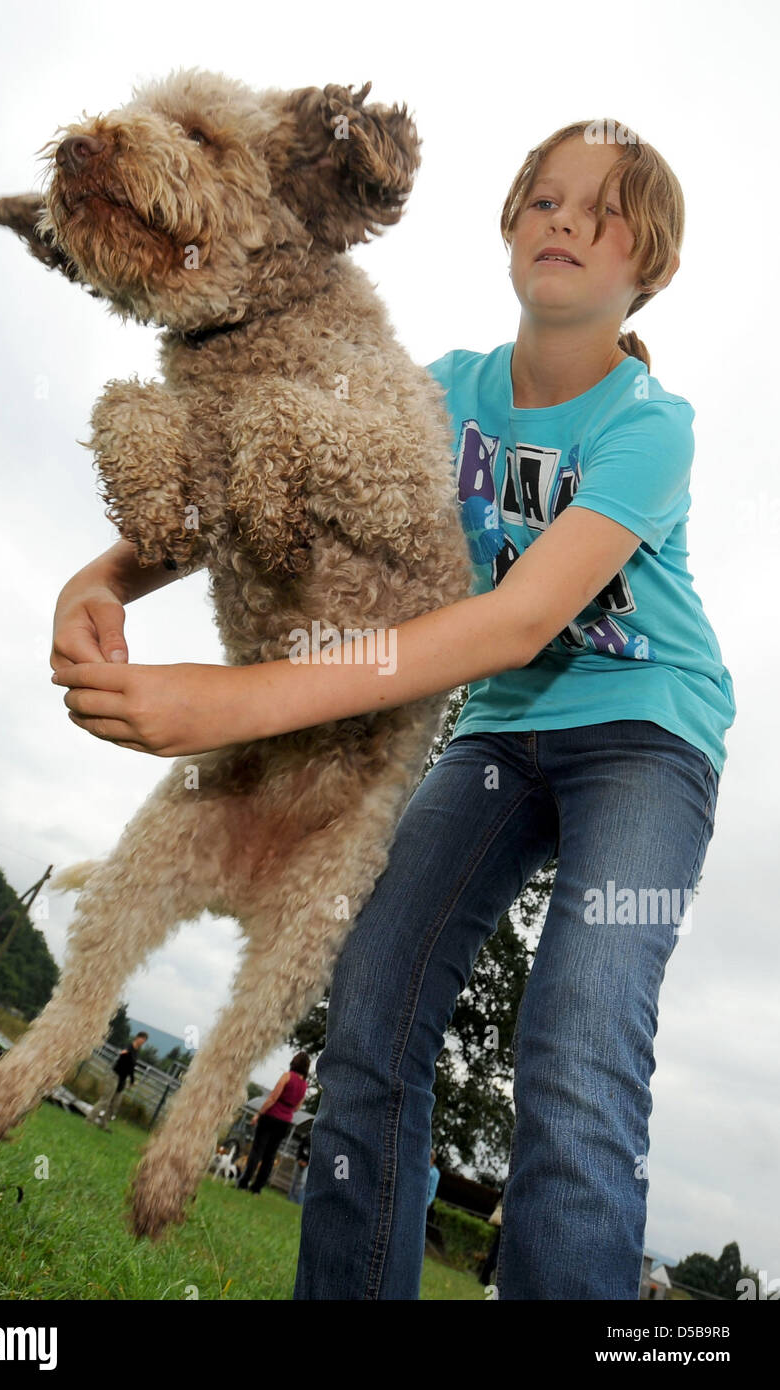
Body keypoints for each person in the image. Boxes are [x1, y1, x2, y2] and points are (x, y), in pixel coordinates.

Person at [46, 119, 734, 1299]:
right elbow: (268, 479)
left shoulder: (647, 425)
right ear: (510, 226)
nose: (563, 218)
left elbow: (513, 622)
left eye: (601, 209)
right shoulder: (441, 392)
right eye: (542, 198)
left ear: (647, 265)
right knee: (370, 1004)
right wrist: (103, 577)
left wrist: (237, 704)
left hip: (647, 732)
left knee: (576, 1040)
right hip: (499, 736)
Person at [237, 1053, 310, 1195]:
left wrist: (259, 1114)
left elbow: (273, 1097)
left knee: (257, 1150)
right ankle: (257, 1187)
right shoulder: (304, 1085)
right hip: (285, 1121)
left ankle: (244, 1182)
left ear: (294, 1062)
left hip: (271, 1116)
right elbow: (298, 1107)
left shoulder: (287, 1076)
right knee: (270, 1155)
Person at [86, 1031, 148, 1130]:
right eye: (142, 1039)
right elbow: (123, 1053)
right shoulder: (129, 1047)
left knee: (115, 1104)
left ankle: (103, 1124)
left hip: (123, 1079)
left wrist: (132, 1080)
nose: (142, 1042)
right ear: (137, 1037)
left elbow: (131, 1067)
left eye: (144, 1041)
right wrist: (124, 1053)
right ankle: (89, 1120)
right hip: (115, 1075)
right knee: (105, 1100)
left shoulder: (136, 1052)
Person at [287, 1131, 311, 1205]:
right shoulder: (306, 1137)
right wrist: (299, 1159)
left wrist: (307, 1162)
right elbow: (300, 1149)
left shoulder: (319, 1141)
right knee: (295, 1179)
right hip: (300, 1161)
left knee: (302, 1182)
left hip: (308, 1164)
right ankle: (291, 1197)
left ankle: (299, 1200)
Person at [426, 1149, 440, 1214]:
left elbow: (432, 1190)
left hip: (425, 1201)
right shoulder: (423, 1167)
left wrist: (428, 1203)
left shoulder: (435, 1173)